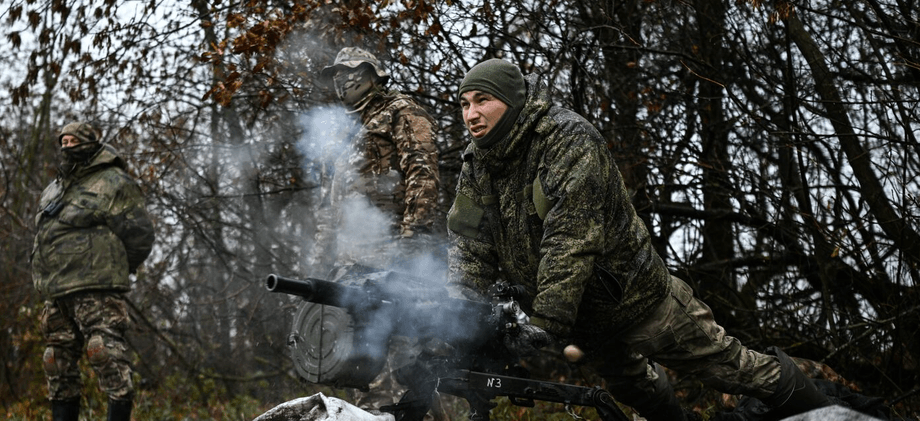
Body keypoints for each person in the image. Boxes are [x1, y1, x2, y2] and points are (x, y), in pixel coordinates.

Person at [445, 58, 833, 421]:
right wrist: (459, 313)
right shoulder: (477, 163)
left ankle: (833, 416)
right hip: (586, 319)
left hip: (637, 299)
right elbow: (469, 245)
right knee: (635, 390)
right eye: (464, 104)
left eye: (483, 100)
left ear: (512, 101)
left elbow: (572, 237)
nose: (471, 114)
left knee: (733, 370)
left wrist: (546, 319)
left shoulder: (566, 138)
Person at [310, 47, 442, 410]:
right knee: (360, 369)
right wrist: (320, 264)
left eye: (348, 71)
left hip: (393, 257)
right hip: (351, 263)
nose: (341, 80)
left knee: (403, 361)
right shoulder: (336, 131)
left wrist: (412, 242)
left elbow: (423, 175)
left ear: (372, 73)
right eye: (335, 74)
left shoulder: (401, 111)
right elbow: (327, 208)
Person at [31, 122, 155, 421]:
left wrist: (115, 267)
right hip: (56, 291)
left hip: (96, 288)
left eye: (74, 140)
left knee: (106, 356)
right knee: (56, 363)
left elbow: (140, 233)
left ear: (89, 143)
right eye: (64, 141)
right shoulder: (54, 190)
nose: (68, 146)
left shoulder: (113, 181)